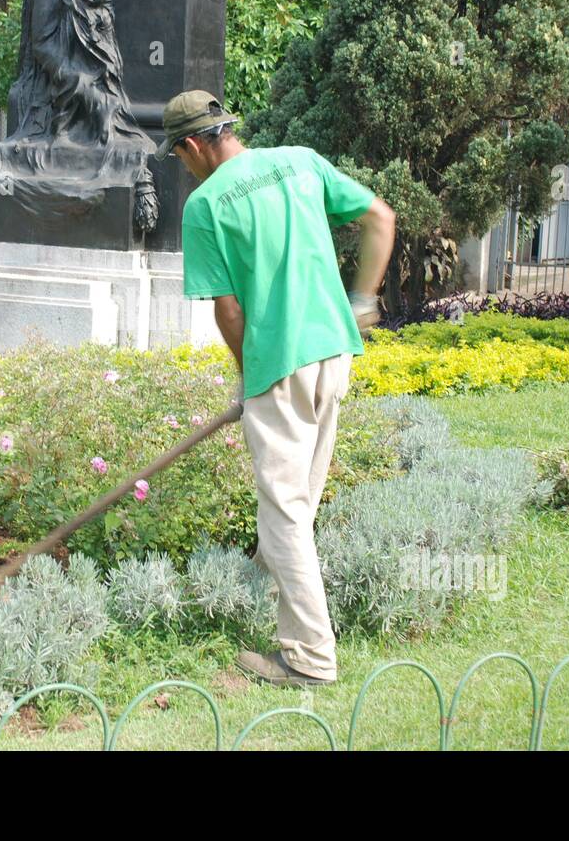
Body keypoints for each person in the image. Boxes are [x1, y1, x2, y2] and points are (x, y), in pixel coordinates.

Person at [159, 89, 396, 687]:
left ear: (191, 146)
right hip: (335, 349)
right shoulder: (301, 161)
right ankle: (265, 593)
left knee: (284, 513)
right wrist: (364, 298)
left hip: (280, 362)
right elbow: (380, 219)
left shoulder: (205, 205)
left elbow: (229, 311)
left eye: (179, 157)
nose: (183, 168)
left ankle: (311, 659)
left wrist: (251, 377)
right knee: (301, 496)